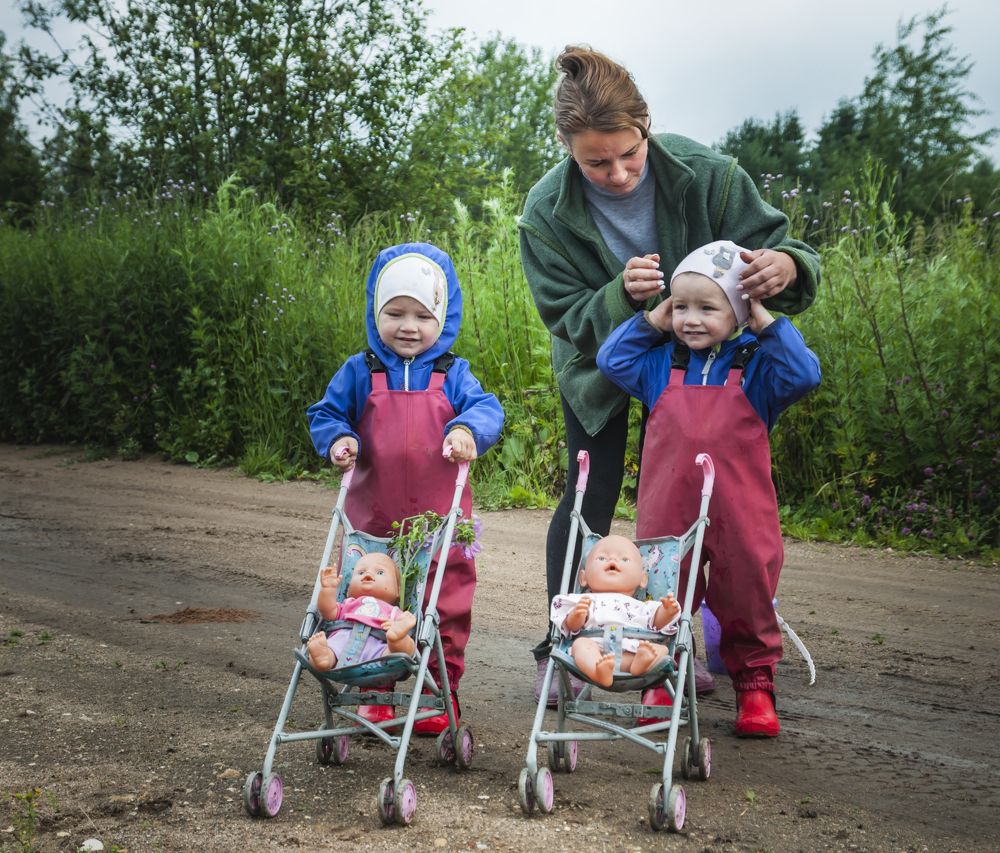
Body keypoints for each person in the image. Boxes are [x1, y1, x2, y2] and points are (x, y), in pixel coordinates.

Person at [518, 45, 821, 712]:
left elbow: (783, 245)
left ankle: (675, 642)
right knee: (588, 496)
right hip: (601, 364)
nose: (620, 173)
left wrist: (787, 268)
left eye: (629, 153)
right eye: (596, 162)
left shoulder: (707, 173)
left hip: (698, 357)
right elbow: (565, 316)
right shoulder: (545, 211)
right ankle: (563, 643)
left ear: (646, 125)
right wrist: (622, 299)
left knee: (696, 506)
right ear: (566, 146)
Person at [597, 240, 821, 736]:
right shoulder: (660, 366)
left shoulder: (757, 369)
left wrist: (764, 319)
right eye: (682, 308)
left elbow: (805, 374)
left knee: (747, 591)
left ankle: (755, 687)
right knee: (662, 590)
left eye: (707, 307)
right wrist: (655, 319)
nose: (690, 319)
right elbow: (612, 360)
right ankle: (659, 674)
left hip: (741, 511)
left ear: (737, 311)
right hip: (669, 510)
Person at [307, 242, 504, 734]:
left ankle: (441, 692)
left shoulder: (452, 374)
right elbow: (327, 413)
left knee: (445, 603)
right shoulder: (362, 371)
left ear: (443, 317)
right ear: (377, 314)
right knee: (369, 601)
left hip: (440, 523)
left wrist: (466, 431)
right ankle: (375, 688)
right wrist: (339, 439)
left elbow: (486, 409)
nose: (408, 327)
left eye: (422, 315)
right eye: (394, 313)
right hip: (374, 520)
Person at [550, 534, 680, 687]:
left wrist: (667, 612)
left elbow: (658, 624)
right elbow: (570, 627)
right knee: (580, 645)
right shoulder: (582, 600)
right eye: (602, 559)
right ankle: (597, 671)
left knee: (662, 650)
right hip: (595, 649)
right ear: (583, 578)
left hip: (633, 650)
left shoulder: (644, 606)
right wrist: (577, 615)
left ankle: (640, 663)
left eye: (625, 560)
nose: (612, 560)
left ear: (642, 579)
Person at [306, 553, 417, 671]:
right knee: (331, 648)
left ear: (398, 591)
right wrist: (328, 589)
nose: (368, 574)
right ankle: (324, 657)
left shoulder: (394, 611)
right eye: (361, 572)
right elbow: (328, 612)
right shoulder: (348, 603)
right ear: (348, 589)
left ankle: (397, 638)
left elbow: (407, 628)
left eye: (380, 572)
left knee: (404, 650)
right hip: (343, 643)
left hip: (379, 648)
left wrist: (396, 626)